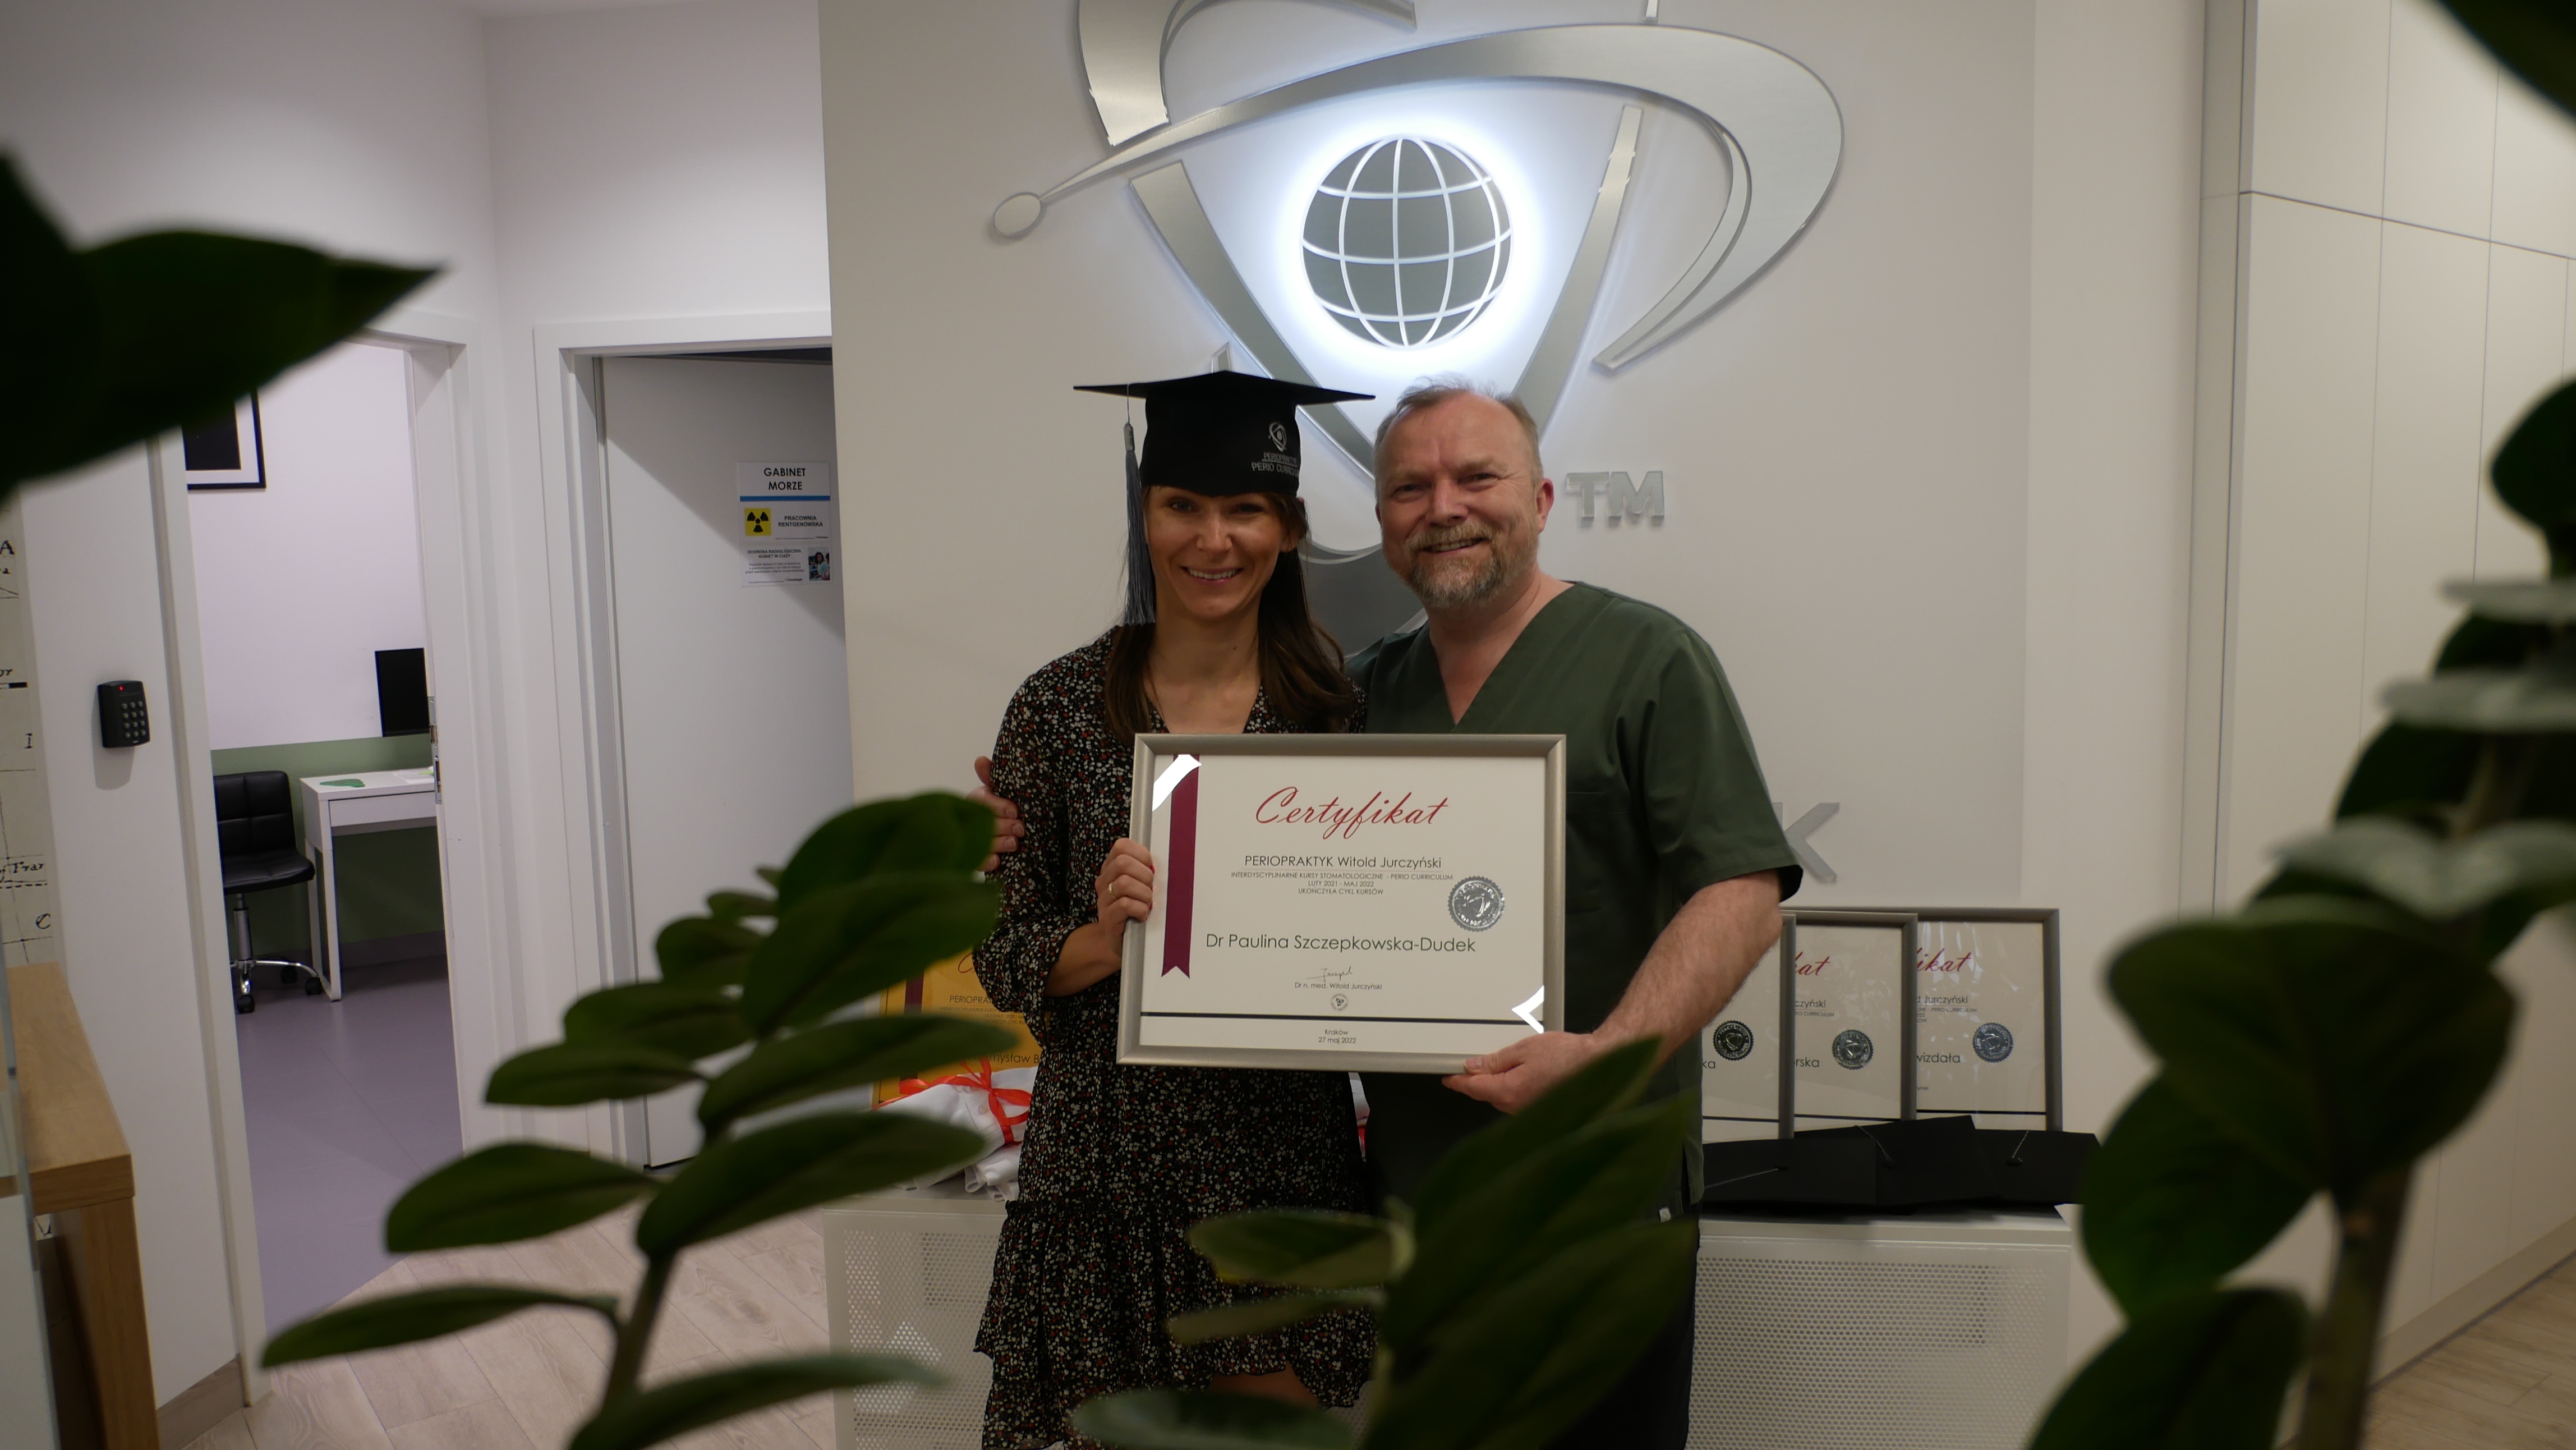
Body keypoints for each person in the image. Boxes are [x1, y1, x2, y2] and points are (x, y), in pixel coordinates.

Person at [973, 378, 1797, 1448]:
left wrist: (1606, 1055)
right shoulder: (1354, 695)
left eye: (1477, 477)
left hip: (1554, 1185)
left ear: (1543, 497)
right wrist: (1004, 837)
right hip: (1360, 1198)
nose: (1443, 507)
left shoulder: (1615, 665)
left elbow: (1742, 892)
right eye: (1411, 487)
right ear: (1379, 520)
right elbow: (1024, 933)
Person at [968, 370, 1379, 1450]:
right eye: (1182, 505)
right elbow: (1005, 957)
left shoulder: (1339, 719)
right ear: (1145, 516)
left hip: (1278, 1158)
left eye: (1246, 509)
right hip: (1104, 1162)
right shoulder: (1058, 708)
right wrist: (1106, 940)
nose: (1213, 539)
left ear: (1290, 529)